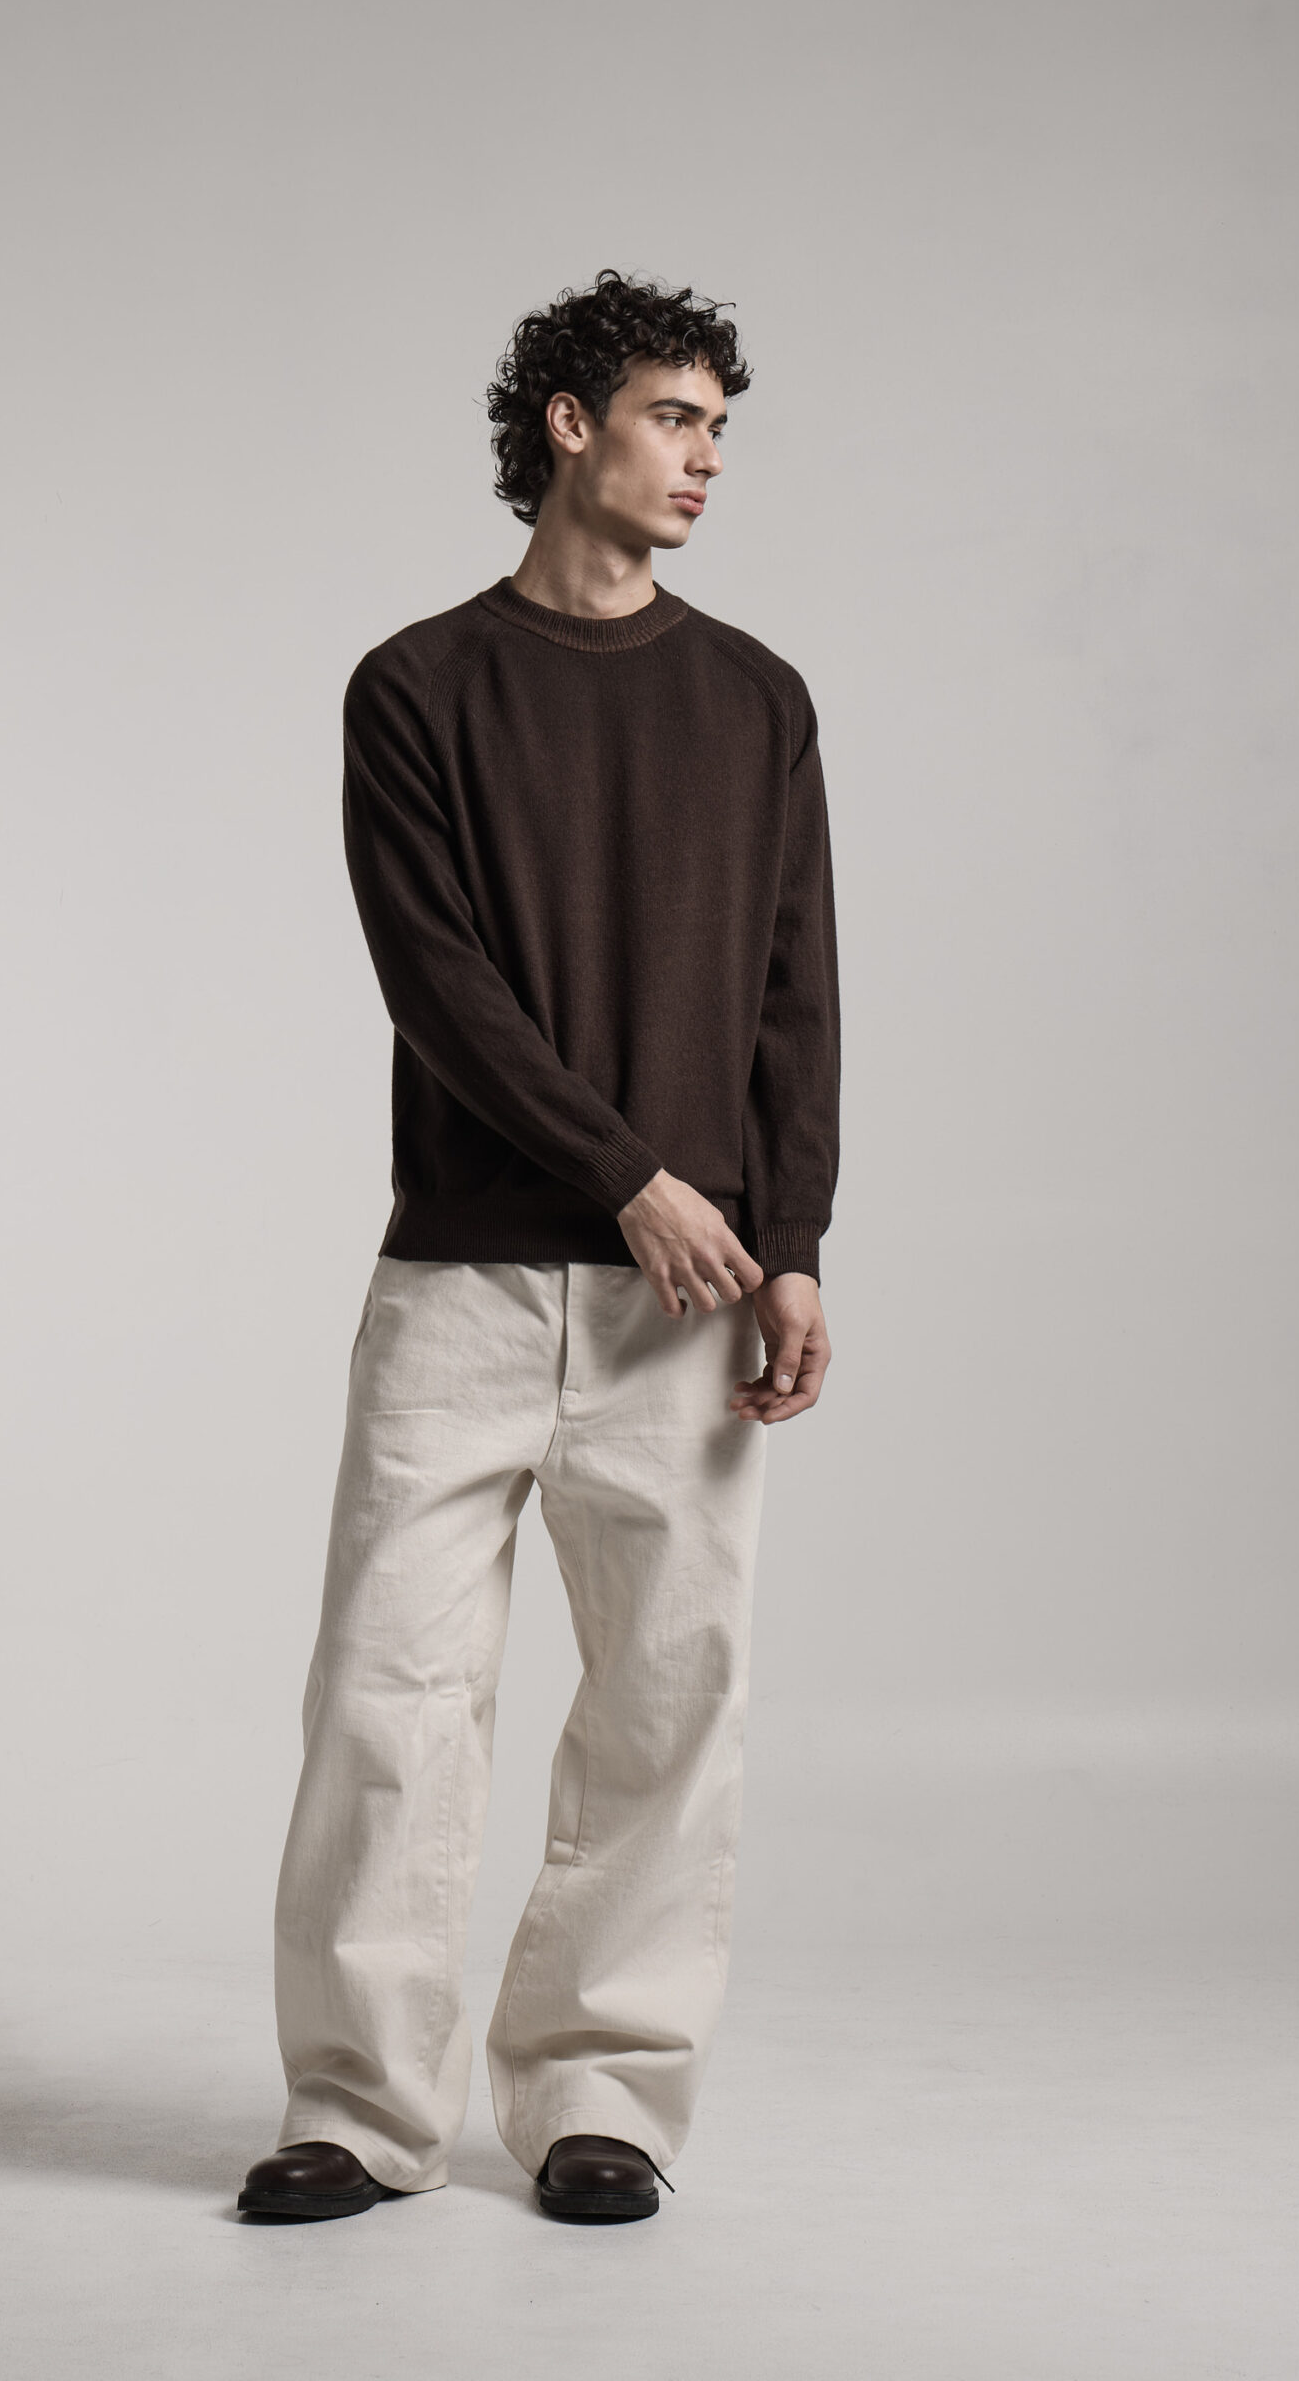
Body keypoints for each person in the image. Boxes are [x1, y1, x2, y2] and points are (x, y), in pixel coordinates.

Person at [238, 269, 840, 2227]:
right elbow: (440, 986)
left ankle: (604, 2095)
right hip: (467, 1282)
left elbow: (793, 990)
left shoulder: (756, 698)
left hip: (697, 1300)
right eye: (675, 417)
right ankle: (357, 2107)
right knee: (389, 1698)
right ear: (568, 423)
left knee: (667, 1699)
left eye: (720, 431)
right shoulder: (417, 686)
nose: (706, 461)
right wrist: (631, 1177)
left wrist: (792, 1236)